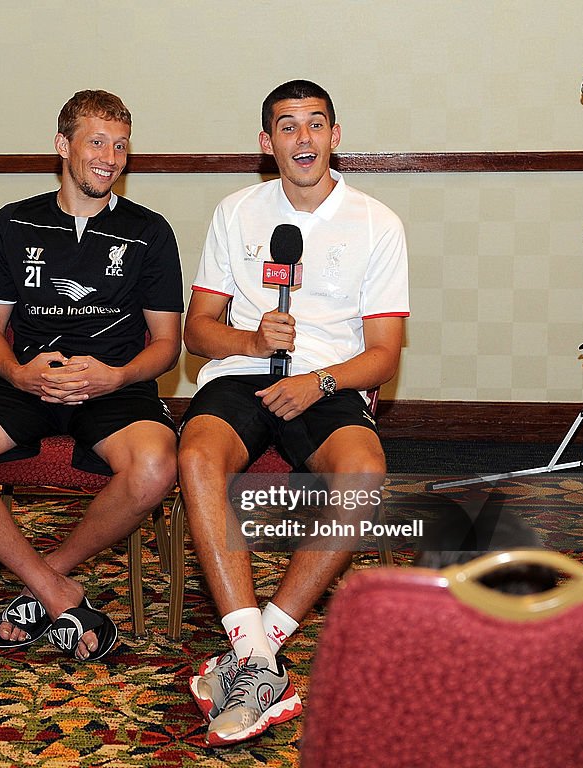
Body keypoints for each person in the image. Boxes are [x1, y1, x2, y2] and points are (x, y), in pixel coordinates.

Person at [0, 89, 182, 663]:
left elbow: (167, 346)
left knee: (156, 466)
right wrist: (20, 373)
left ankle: (46, 577)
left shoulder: (149, 231)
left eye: (121, 145)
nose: (110, 157)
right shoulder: (12, 222)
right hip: (31, 380)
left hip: (114, 384)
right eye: (97, 142)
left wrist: (117, 376)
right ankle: (57, 592)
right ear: (63, 146)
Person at [177, 79, 410, 746]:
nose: (302, 138)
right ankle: (253, 656)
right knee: (196, 453)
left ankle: (261, 643)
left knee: (364, 474)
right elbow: (199, 331)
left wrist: (318, 381)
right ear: (265, 143)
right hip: (244, 374)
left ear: (336, 137)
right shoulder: (236, 211)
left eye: (315, 124)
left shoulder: (376, 223)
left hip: (328, 380)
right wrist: (251, 342)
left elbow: (386, 352)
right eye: (287, 126)